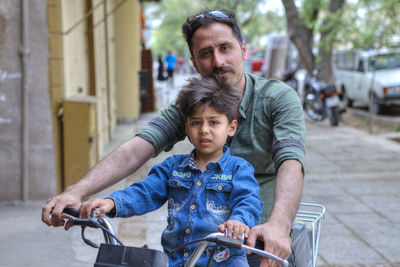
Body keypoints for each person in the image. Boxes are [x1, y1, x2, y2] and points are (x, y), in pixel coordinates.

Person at [43, 8, 305, 267]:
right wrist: (78, 192)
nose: (217, 61)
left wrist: (279, 226)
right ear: (193, 62)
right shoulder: (190, 107)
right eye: (205, 53)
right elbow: (138, 151)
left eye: (225, 48)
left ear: (244, 50)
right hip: (188, 252)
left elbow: (291, 161)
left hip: (256, 241)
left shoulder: (277, 99)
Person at [79, 75, 263, 266]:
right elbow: (145, 191)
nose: (204, 130)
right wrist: (112, 202)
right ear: (187, 127)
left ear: (231, 127)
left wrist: (238, 221)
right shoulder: (173, 167)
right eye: (196, 122)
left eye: (214, 122)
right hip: (177, 260)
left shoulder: (239, 169)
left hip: (224, 262)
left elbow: (249, 201)